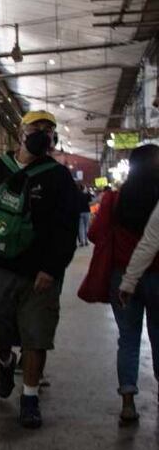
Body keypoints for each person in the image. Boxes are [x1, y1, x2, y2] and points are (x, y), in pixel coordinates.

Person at [0, 110, 79, 429]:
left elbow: (67, 226)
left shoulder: (57, 177)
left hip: (40, 275)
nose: (43, 134)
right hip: (1, 268)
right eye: (37, 128)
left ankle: (29, 398)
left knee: (37, 336)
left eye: (48, 130)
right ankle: (6, 362)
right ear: (21, 132)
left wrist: (52, 267)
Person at [94, 144, 159, 424]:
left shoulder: (115, 199)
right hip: (158, 276)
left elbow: (94, 232)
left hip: (123, 277)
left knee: (129, 339)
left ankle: (128, 402)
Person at [77, 182, 93, 247]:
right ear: (84, 188)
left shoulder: (76, 195)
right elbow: (90, 203)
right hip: (87, 212)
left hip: (79, 212)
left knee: (81, 228)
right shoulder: (87, 194)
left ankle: (82, 242)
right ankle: (86, 241)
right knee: (87, 227)